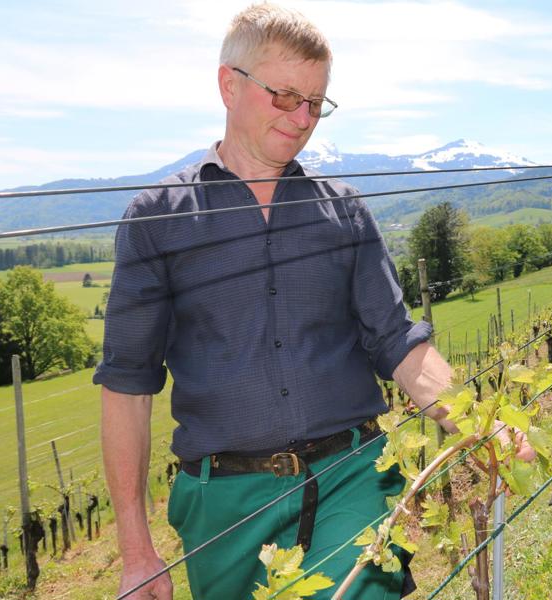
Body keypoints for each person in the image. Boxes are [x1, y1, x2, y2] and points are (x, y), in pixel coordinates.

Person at [95, 5, 530, 599]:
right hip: (223, 507)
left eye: (316, 103)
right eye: (285, 97)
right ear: (228, 84)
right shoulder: (157, 221)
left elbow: (397, 343)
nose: (302, 119)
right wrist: (136, 552)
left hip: (351, 475)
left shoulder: (345, 211)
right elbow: (127, 385)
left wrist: (478, 423)